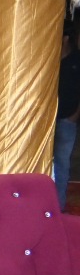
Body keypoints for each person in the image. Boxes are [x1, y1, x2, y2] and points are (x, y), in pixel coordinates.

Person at [56, 17, 80, 206]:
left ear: (64, 38)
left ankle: (59, 204)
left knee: (62, 163)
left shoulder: (76, 61)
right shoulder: (49, 61)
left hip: (67, 119)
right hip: (46, 120)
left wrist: (74, 116)